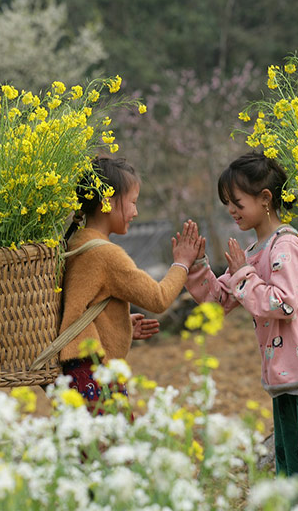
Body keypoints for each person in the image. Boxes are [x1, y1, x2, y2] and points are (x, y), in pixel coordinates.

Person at [185, 151, 298, 476]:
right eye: (227, 202)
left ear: (265, 198)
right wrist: (195, 266)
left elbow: (283, 303)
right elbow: (220, 301)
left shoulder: (285, 247)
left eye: (237, 202)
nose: (231, 210)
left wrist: (243, 274)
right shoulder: (255, 253)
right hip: (286, 375)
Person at [59, 156, 201, 413]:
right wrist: (182, 263)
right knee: (111, 449)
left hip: (76, 371)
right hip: (95, 373)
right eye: (133, 203)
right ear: (108, 202)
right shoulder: (106, 254)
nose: (135, 212)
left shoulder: (77, 242)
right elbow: (158, 299)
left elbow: (81, 308)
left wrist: (119, 326)